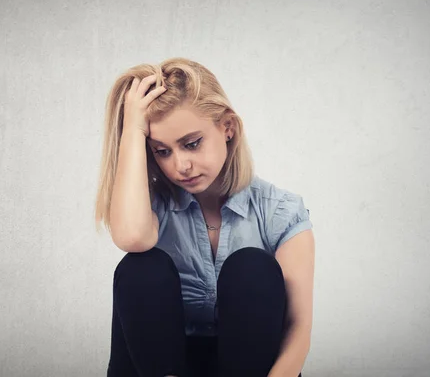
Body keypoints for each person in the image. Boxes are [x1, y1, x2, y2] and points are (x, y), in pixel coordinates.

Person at [94, 58, 315, 377]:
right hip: (155, 367)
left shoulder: (280, 210)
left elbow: (298, 331)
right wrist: (132, 130)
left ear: (228, 128)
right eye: (162, 151)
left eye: (192, 144)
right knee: (141, 266)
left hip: (250, 368)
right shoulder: (150, 207)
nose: (180, 165)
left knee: (252, 267)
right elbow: (131, 238)